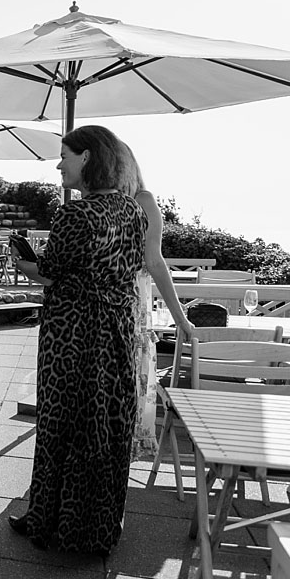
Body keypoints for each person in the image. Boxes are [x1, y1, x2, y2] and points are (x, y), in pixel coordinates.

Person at [10, 125, 148, 557]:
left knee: (59, 426)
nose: (58, 164)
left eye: (65, 155)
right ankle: (98, 529)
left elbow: (51, 271)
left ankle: (50, 522)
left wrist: (24, 265)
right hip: (118, 332)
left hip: (72, 334)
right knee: (105, 427)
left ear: (86, 158)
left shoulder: (74, 215)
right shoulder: (133, 211)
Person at [115, 143, 195, 457]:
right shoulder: (98, 202)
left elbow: (156, 262)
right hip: (107, 300)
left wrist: (180, 318)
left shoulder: (142, 200)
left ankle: (122, 450)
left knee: (131, 369)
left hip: (132, 299)